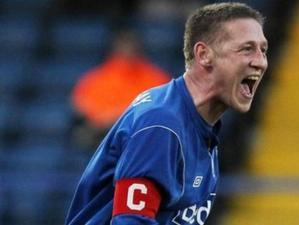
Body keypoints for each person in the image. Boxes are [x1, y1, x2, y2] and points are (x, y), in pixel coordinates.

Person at [65, 2, 268, 225]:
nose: (260, 62)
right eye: (247, 49)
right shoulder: (161, 125)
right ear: (204, 55)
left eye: (263, 50)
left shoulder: (198, 126)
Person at [70, 30, 170, 149]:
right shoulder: (96, 77)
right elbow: (80, 105)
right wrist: (107, 118)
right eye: (122, 48)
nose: (126, 52)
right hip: (104, 135)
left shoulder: (156, 77)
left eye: (130, 48)